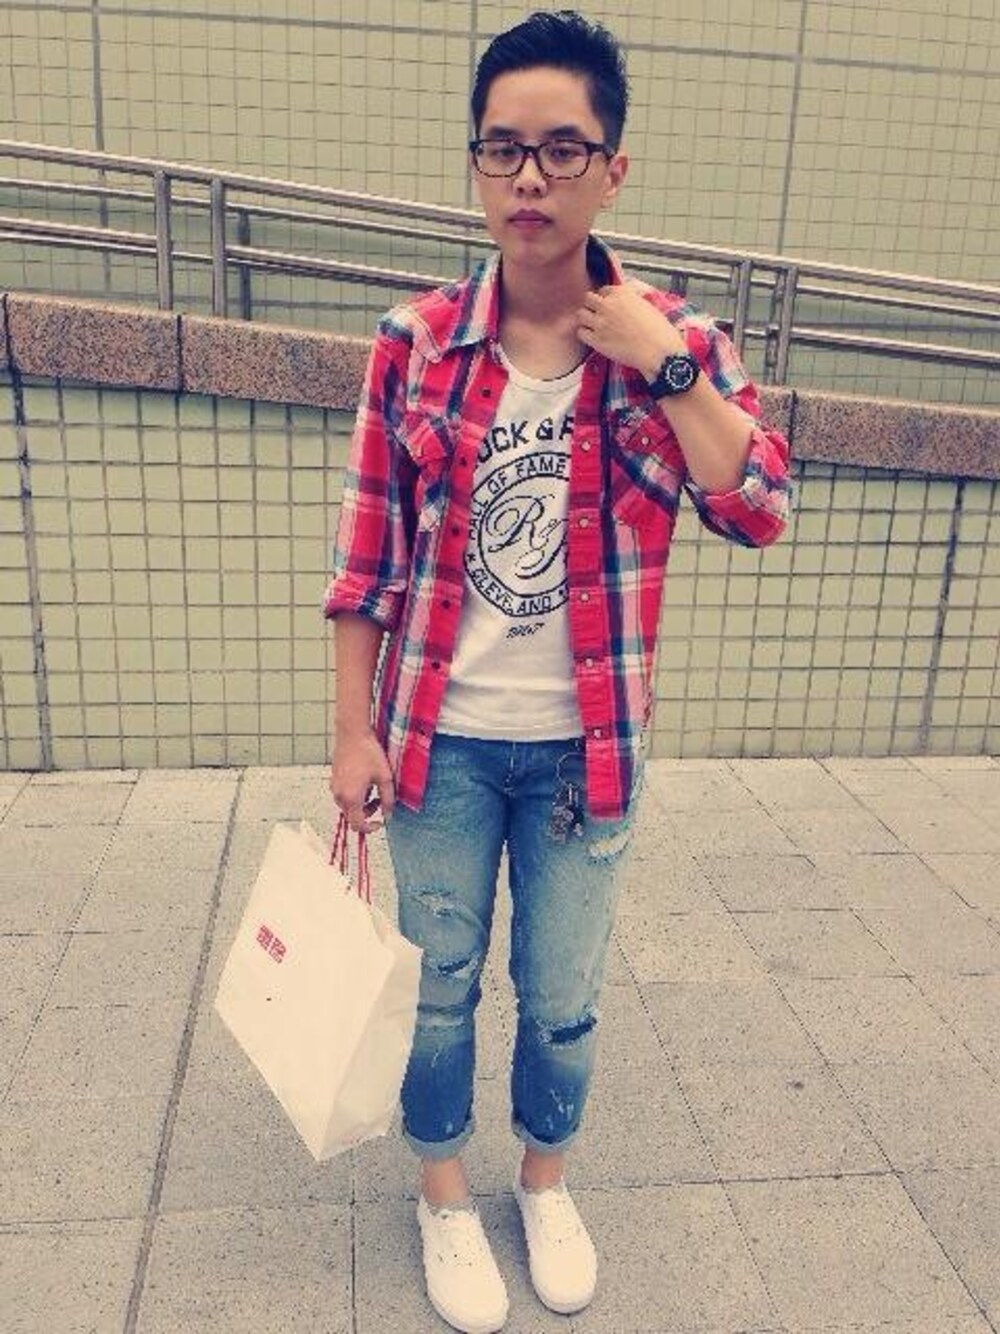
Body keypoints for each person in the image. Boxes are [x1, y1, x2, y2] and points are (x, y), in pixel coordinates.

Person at [325, 10, 790, 1332]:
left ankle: (543, 1180)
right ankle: (442, 1195)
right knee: (435, 992)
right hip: (441, 743)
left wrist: (666, 362)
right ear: (477, 163)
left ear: (611, 168)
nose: (530, 177)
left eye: (563, 149)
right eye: (504, 149)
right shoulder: (415, 342)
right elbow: (365, 562)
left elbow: (758, 506)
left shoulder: (673, 338)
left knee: (565, 999)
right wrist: (350, 732)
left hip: (591, 751)